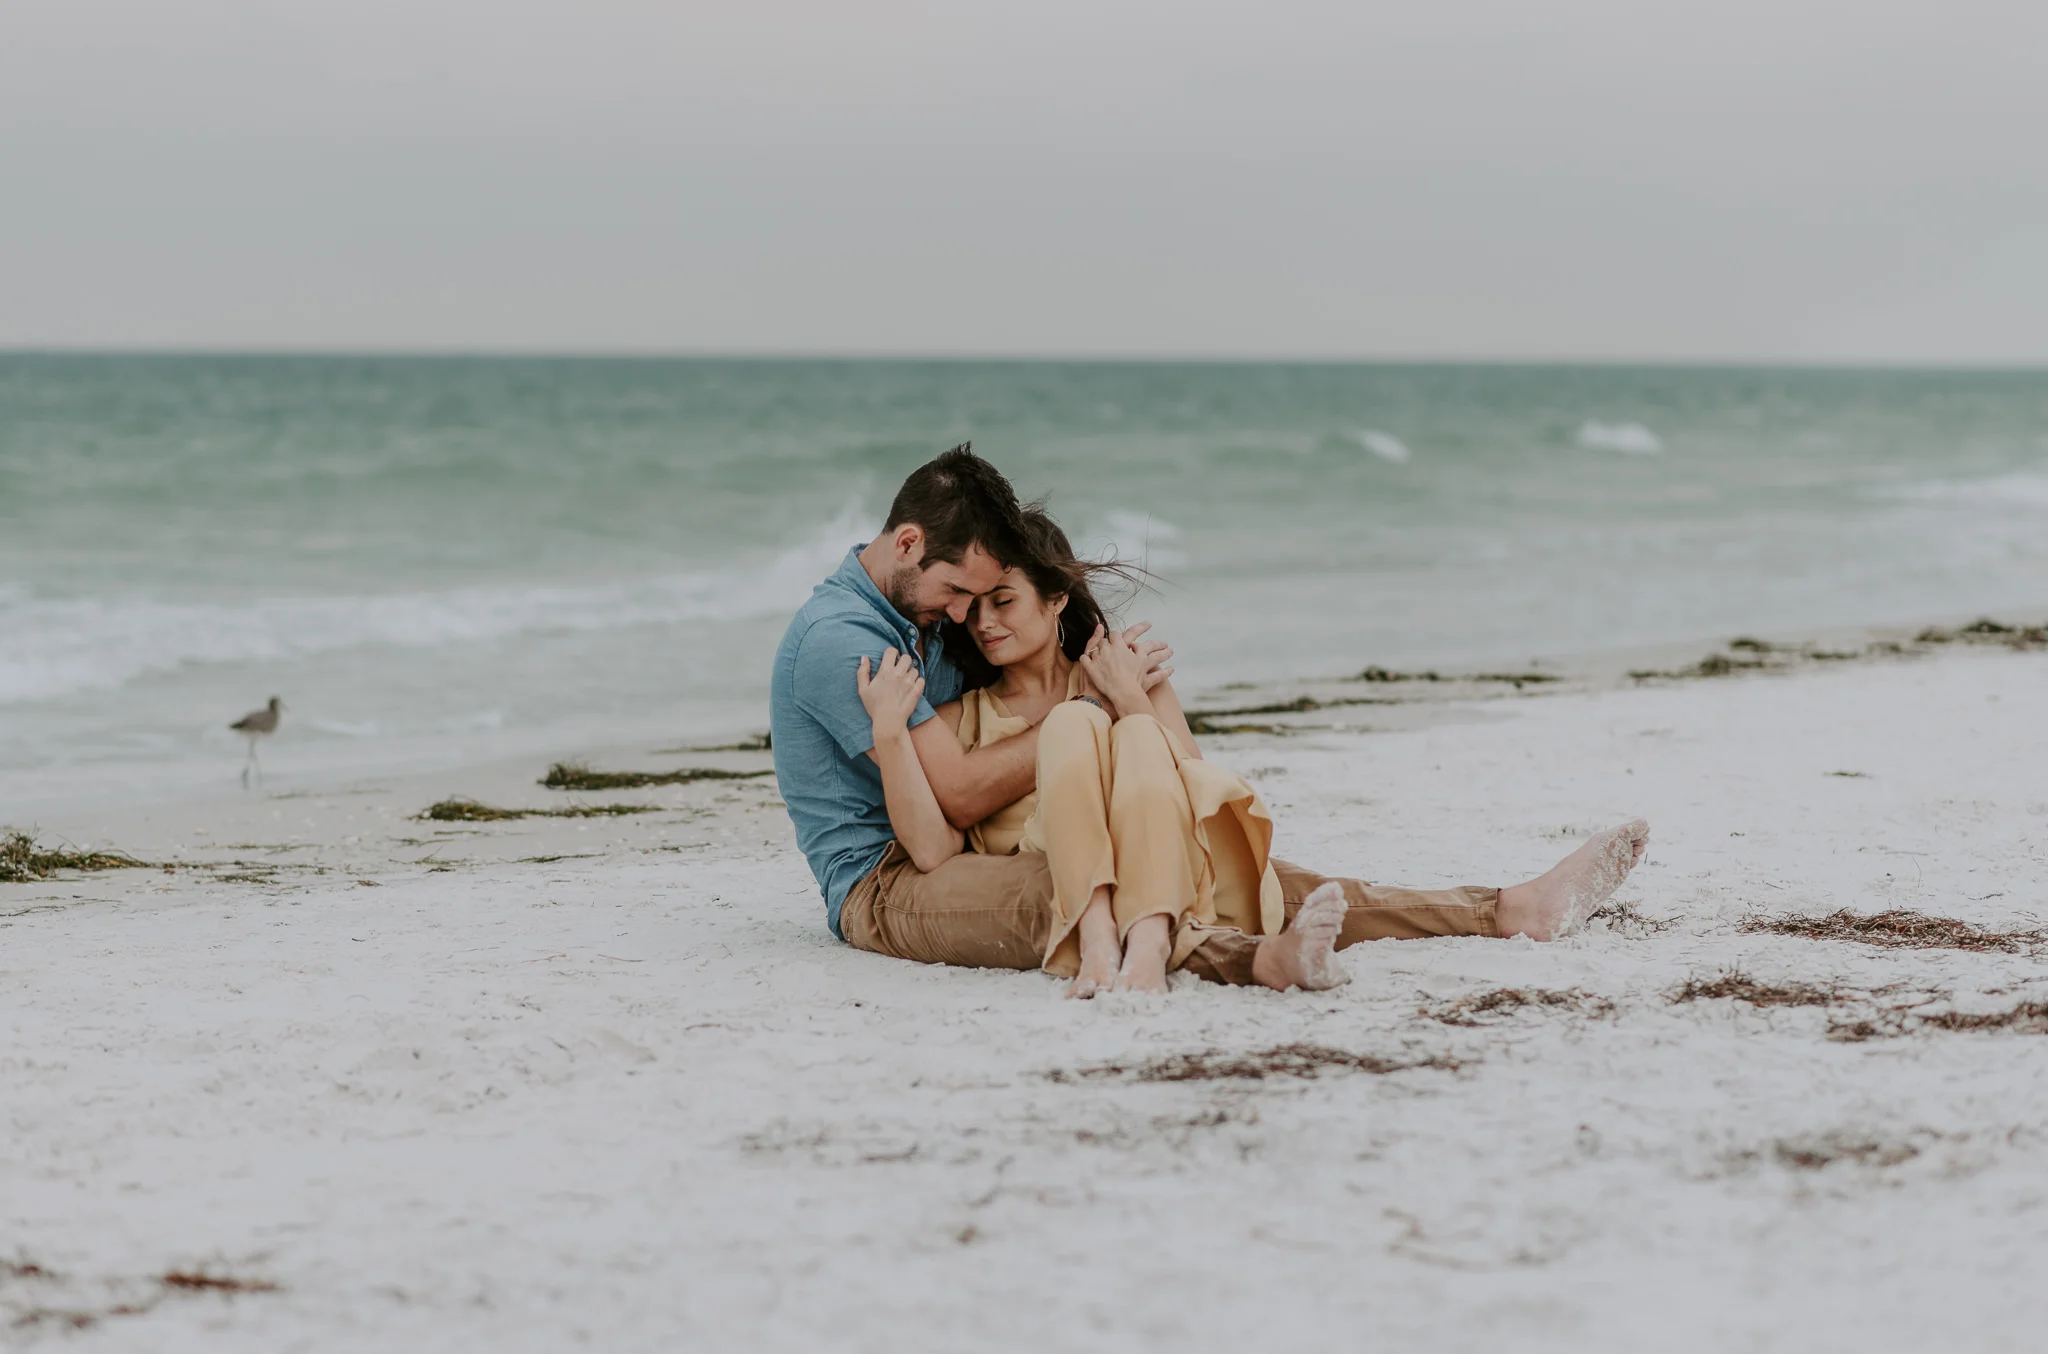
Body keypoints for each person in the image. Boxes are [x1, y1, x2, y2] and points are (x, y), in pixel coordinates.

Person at [770, 444, 1650, 992]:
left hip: (969, 849)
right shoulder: (845, 639)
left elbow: (1186, 788)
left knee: (1253, 873)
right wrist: (1088, 704)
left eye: (990, 598)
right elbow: (952, 807)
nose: (968, 617)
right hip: (888, 882)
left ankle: (1503, 908)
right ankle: (1255, 962)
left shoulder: (929, 626)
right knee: (1085, 891)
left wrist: (1125, 699)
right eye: (960, 596)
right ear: (908, 545)